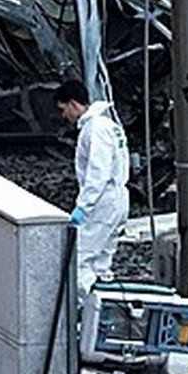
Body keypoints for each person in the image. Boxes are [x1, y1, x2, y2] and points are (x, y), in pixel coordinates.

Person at [54, 79, 130, 296]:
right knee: (101, 264)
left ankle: (77, 311)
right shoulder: (109, 125)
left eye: (63, 109)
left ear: (73, 104)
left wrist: (83, 207)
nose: (64, 116)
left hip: (103, 201)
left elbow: (98, 173)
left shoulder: (95, 129)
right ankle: (101, 310)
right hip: (117, 198)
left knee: (80, 261)